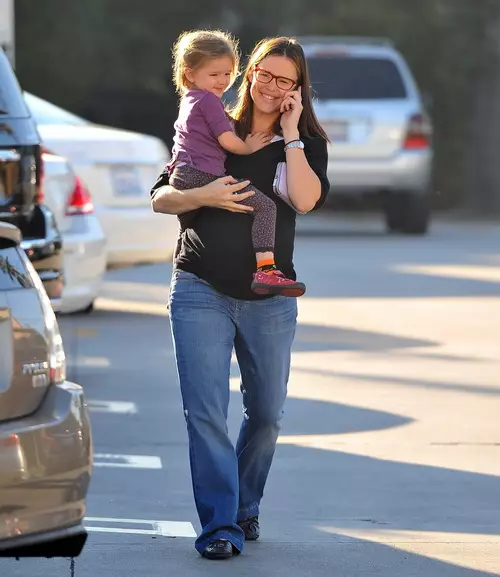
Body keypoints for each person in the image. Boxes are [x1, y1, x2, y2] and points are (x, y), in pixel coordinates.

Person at [151, 35, 330, 560]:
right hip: (199, 286)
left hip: (270, 299)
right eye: (266, 75)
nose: (274, 87)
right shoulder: (211, 119)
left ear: (299, 88)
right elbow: (162, 194)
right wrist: (201, 196)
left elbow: (305, 199)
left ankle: (244, 505)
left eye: (286, 80)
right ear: (249, 73)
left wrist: (292, 135)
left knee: (268, 413)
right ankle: (219, 526)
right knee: (205, 412)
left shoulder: (306, 142)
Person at [168, 29, 306, 296]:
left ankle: (192, 266)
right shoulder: (209, 101)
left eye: (227, 74)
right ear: (189, 73)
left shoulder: (191, 100)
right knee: (265, 207)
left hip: (184, 173)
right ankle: (266, 270)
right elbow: (228, 140)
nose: (222, 81)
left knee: (191, 224)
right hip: (201, 174)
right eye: (214, 74)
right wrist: (249, 146)